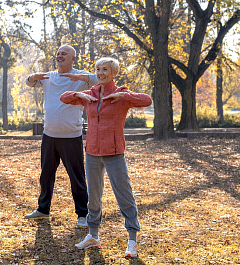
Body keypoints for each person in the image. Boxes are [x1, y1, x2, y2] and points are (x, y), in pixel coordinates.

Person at [60, 57, 152, 258]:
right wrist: (78, 93)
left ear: (114, 73)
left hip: (114, 153)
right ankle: (93, 236)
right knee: (93, 196)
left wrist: (124, 96)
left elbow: (147, 100)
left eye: (105, 70)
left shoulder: (121, 95)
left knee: (124, 196)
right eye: (98, 69)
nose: (100, 73)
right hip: (92, 152)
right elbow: (64, 98)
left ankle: (132, 241)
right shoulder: (89, 95)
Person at [24, 45, 98, 227]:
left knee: (77, 177)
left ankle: (83, 214)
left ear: (73, 58)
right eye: (58, 53)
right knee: (46, 175)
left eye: (64, 53)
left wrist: (79, 77)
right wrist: (33, 77)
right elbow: (28, 82)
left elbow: (101, 79)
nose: (59, 56)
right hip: (49, 135)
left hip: (71, 136)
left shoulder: (81, 76)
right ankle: (43, 209)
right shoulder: (49, 76)